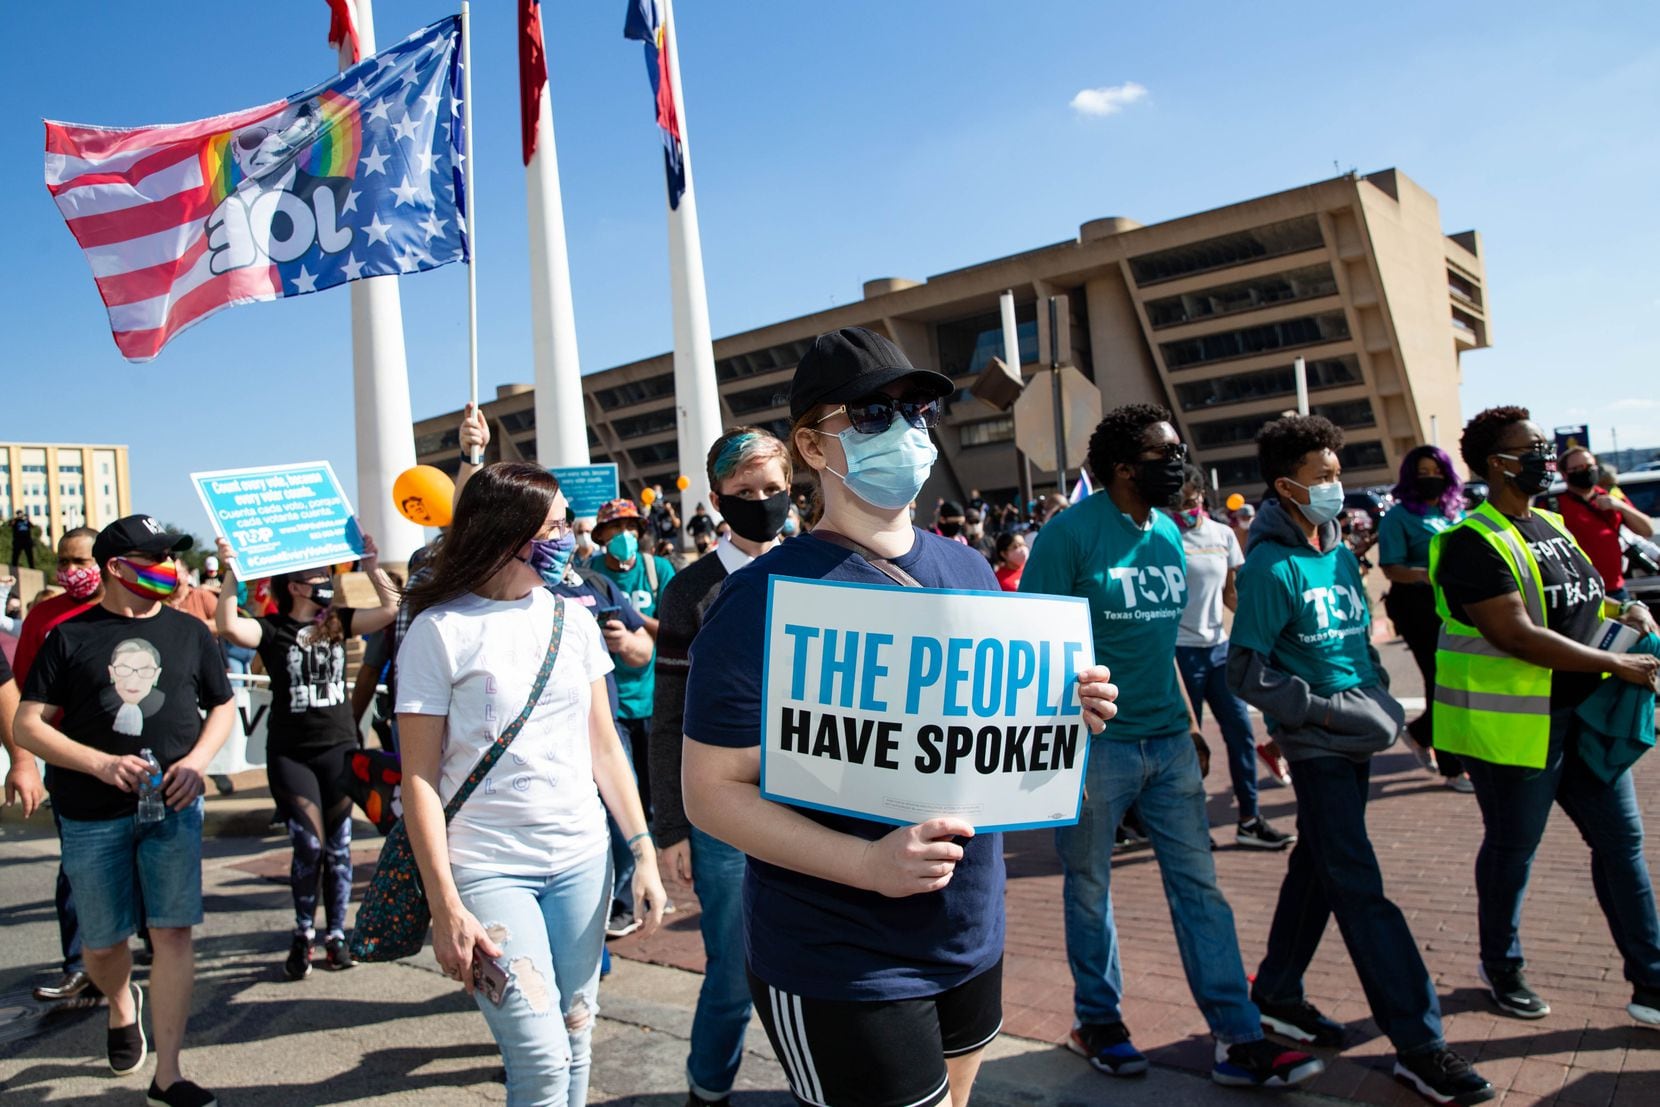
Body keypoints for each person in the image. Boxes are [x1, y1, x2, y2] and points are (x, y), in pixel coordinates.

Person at [682, 326, 1119, 1107]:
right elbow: (710, 790)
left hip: (968, 929)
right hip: (839, 954)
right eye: (873, 414)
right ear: (812, 448)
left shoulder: (968, 566)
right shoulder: (757, 602)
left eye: (915, 410)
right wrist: (866, 866)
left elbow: (987, 730)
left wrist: (1064, 709)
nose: (907, 431)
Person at [1019, 403, 1319, 1088]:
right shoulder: (1068, 536)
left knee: (1200, 889)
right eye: (1166, 453)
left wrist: (1189, 722)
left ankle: (1238, 1036)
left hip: (1169, 744)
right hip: (1095, 749)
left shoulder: (1167, 535)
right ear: (1126, 467)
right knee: (1090, 887)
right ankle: (1099, 1019)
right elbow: (1028, 642)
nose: (1180, 465)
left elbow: (1166, 647)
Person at [1226, 416, 1492, 1106]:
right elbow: (1246, 670)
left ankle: (1279, 990)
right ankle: (1419, 1042)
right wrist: (1317, 709)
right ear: (1286, 486)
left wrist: (1373, 693)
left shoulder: (1339, 552)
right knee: (1360, 885)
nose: (1337, 486)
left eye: (1339, 472)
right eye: (1324, 476)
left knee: (1319, 859)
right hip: (1318, 745)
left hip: (1358, 734)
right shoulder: (1267, 566)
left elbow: (1358, 641)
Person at [397, 462, 666, 1106]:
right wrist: (445, 906)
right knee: (540, 1059)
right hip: (488, 872)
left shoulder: (573, 619)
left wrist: (643, 849)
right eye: (555, 527)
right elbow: (418, 779)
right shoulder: (439, 631)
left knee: (576, 1037)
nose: (570, 539)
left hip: (582, 860)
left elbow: (604, 745)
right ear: (505, 533)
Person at [1430, 407, 1660, 1028]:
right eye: (1530, 448)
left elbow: (1579, 602)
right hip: (1517, 731)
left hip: (1586, 720)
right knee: (1513, 850)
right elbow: (1519, 635)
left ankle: (1652, 984)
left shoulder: (1553, 524)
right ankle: (1501, 966)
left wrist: (1625, 610)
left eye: (1544, 446)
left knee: (1623, 847)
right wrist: (1619, 666)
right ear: (1495, 464)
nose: (1545, 457)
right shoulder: (1469, 542)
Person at [15, 514, 235, 1107]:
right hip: (90, 811)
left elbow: (223, 706)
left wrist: (197, 762)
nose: (168, 569)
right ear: (117, 567)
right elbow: (27, 724)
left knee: (173, 932)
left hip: (173, 807)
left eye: (170, 558)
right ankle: (118, 1002)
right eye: (155, 559)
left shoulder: (190, 633)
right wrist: (99, 765)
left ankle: (168, 1074)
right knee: (104, 945)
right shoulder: (69, 636)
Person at [651, 426, 792, 1107]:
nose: (762, 502)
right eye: (744, 492)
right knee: (733, 972)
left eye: (773, 489)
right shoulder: (689, 592)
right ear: (716, 499)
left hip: (814, 800)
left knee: (813, 963)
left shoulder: (823, 570)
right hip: (722, 814)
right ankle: (708, 1089)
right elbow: (668, 715)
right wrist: (670, 826)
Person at [215, 537, 399, 979]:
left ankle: (336, 935)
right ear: (295, 587)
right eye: (317, 578)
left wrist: (372, 567)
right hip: (291, 755)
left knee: (338, 850)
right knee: (309, 846)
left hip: (339, 751)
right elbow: (227, 625)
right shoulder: (272, 629)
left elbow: (394, 611)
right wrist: (230, 572)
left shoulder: (339, 623)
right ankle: (303, 933)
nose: (325, 583)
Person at [12, 526, 114, 1003]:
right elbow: (23, 695)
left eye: (80, 561)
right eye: (64, 562)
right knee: (76, 862)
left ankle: (146, 947)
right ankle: (80, 964)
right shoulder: (43, 618)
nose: (70, 571)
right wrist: (25, 758)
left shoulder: (128, 609)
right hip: (68, 758)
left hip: (128, 756)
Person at [1170, 465, 1291, 848]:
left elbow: (1231, 595)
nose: (1190, 507)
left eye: (1195, 499)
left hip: (1219, 652)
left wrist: (1267, 629)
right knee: (1190, 744)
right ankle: (1192, 827)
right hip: (1180, 656)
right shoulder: (1163, 537)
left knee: (1240, 733)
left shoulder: (1222, 535)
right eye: (1182, 501)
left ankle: (1249, 819)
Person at [1378, 446, 1469, 791]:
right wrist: (1426, 574)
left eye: (1436, 471)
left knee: (1456, 679)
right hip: (1417, 607)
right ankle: (1451, 766)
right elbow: (1392, 568)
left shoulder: (1455, 512)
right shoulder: (1399, 518)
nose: (1431, 478)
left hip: (1456, 606)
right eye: (1423, 472)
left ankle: (1421, 732)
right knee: (1439, 679)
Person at [590, 499, 676, 817]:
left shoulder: (658, 570)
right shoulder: (591, 576)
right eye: (616, 529)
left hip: (654, 696)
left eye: (630, 528)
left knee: (658, 781)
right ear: (601, 536)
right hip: (610, 702)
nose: (625, 535)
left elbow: (676, 631)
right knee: (623, 784)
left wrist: (634, 618)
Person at [1557, 446, 1654, 600]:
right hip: (1579, 593)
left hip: (1616, 589)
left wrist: (1620, 507)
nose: (1585, 471)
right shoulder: (1553, 505)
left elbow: (1647, 530)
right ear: (1564, 474)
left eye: (1589, 466)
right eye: (1577, 468)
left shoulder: (1610, 498)